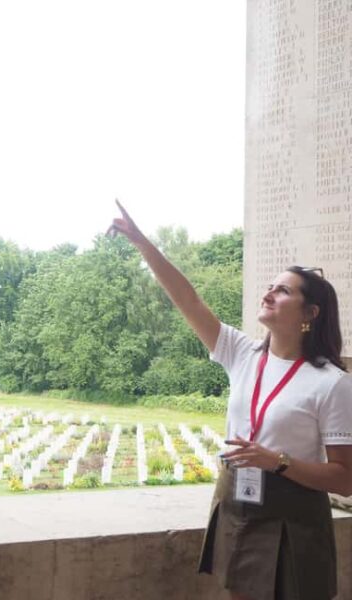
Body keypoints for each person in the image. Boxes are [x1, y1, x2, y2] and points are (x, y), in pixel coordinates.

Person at [108, 200, 352, 600]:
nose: (270, 293)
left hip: (292, 517)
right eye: (270, 286)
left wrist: (278, 462)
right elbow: (189, 301)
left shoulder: (332, 383)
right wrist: (142, 243)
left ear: (309, 313)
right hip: (237, 502)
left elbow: (345, 478)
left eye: (283, 290)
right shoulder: (242, 352)